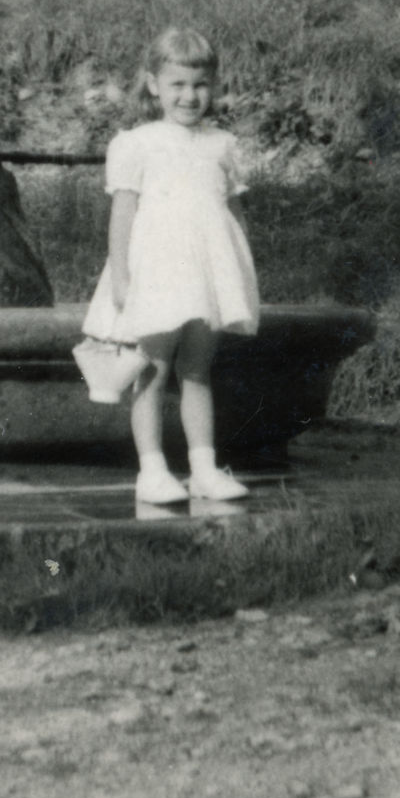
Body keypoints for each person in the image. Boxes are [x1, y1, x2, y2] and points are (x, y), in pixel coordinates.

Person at [81, 27, 260, 506]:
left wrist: (237, 276)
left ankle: (203, 468)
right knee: (153, 369)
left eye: (200, 84)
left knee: (198, 370)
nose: (189, 95)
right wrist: (122, 277)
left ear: (214, 85)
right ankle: (153, 470)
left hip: (206, 273)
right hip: (157, 272)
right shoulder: (138, 143)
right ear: (153, 84)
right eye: (177, 84)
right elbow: (123, 213)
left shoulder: (222, 144)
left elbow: (233, 216)